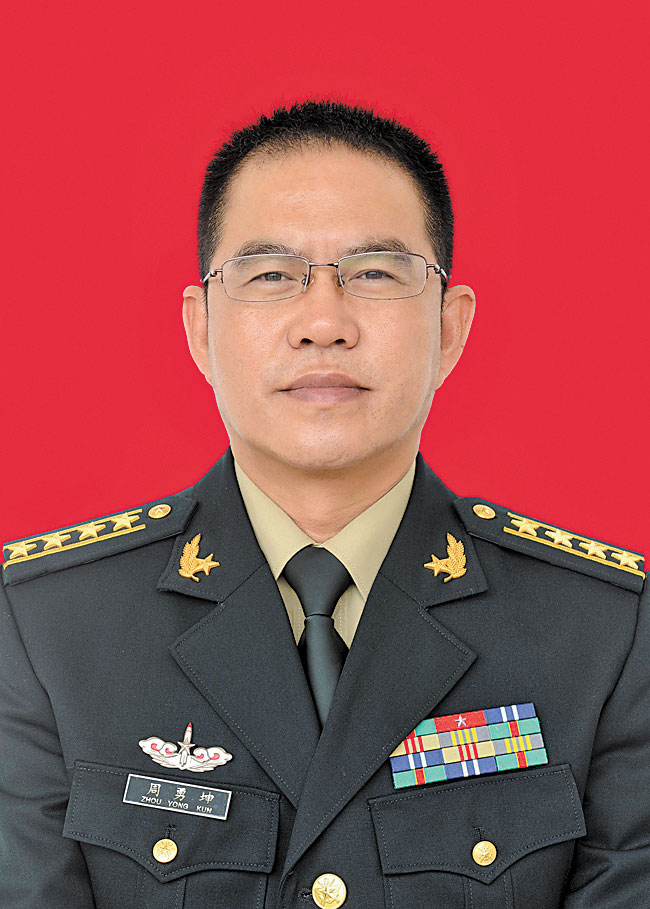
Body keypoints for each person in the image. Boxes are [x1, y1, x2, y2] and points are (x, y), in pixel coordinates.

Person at [1, 100, 647, 909]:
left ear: (449, 327)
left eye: (374, 273)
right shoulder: (44, 625)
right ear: (200, 329)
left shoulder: (607, 631)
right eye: (271, 275)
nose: (322, 322)